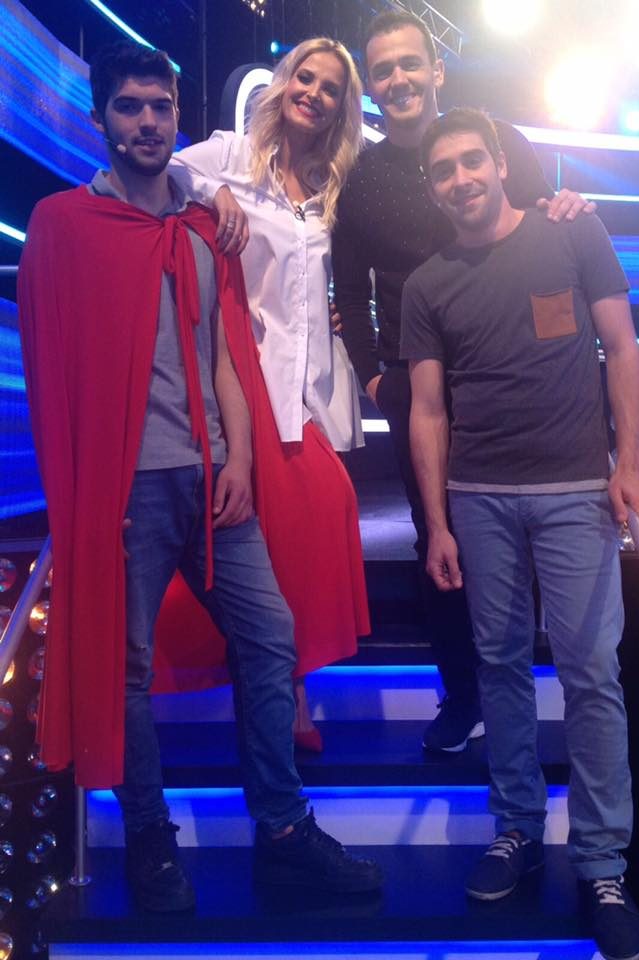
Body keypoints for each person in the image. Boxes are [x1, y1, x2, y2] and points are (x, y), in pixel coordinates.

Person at [18, 40, 382, 913]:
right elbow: (49, 371)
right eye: (130, 107)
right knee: (128, 666)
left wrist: (242, 458)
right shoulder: (66, 225)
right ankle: (151, 838)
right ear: (101, 117)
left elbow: (225, 353)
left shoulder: (198, 227)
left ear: (177, 116)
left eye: (161, 107)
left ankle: (283, 832)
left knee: (271, 639)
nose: (148, 123)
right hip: (128, 493)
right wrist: (84, 497)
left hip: (216, 481)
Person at [402, 106, 639, 960]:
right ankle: (516, 828)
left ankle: (602, 862)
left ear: (501, 163)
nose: (461, 179)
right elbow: (426, 411)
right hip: (479, 499)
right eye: (444, 170)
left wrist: (629, 463)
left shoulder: (573, 233)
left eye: (473, 161)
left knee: (591, 674)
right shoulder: (427, 283)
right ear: (432, 186)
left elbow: (623, 349)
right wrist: (437, 522)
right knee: (501, 667)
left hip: (578, 491)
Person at [332, 10, 596, 753]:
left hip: (506, 374)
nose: (399, 79)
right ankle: (463, 694)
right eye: (384, 70)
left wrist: (569, 204)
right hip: (417, 388)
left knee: (521, 530)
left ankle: (528, 687)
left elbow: (542, 225)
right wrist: (373, 380)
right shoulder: (361, 179)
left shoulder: (493, 140)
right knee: (437, 542)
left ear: (437, 70)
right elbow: (349, 291)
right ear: (371, 86)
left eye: (410, 63)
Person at [168, 38, 369, 751]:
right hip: (241, 371)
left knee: (316, 518)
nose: (313, 93)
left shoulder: (332, 185)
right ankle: (285, 697)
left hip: (308, 385)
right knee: (268, 535)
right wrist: (214, 192)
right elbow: (166, 167)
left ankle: (288, 686)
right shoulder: (232, 154)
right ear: (284, 84)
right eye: (304, 78)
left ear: (342, 107)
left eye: (329, 87)